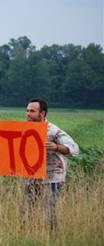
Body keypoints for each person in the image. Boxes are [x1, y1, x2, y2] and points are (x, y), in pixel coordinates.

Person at [22, 98, 79, 229]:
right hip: (31, 178)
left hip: (52, 178)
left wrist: (56, 147)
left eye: (32, 111)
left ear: (42, 114)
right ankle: (30, 237)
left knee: (48, 212)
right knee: (27, 213)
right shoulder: (23, 130)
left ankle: (51, 238)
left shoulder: (53, 131)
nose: (28, 114)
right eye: (27, 111)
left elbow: (74, 148)